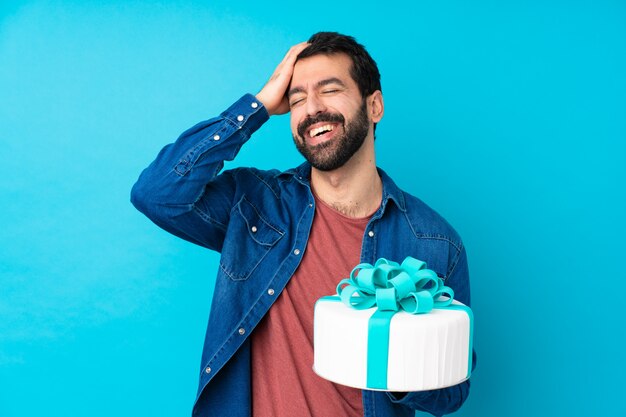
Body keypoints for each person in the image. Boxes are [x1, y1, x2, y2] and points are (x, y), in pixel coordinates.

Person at [131, 32, 474, 417]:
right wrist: (258, 105)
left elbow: (452, 393)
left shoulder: (436, 242)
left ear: (374, 105)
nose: (312, 109)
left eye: (329, 90)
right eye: (296, 99)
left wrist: (399, 358)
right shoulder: (255, 205)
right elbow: (157, 193)